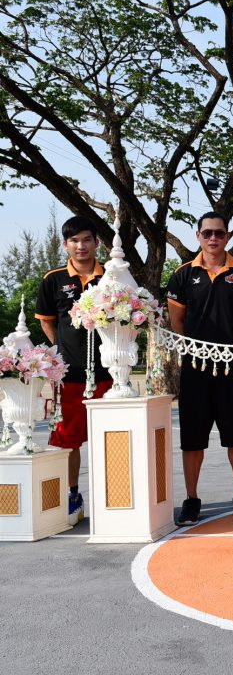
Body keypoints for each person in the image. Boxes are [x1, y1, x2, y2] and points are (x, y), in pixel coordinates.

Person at [166, 212, 233, 525]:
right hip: (196, 368)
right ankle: (191, 499)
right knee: (192, 438)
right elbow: (177, 322)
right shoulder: (182, 275)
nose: (213, 238)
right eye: (207, 233)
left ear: (228, 236)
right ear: (198, 236)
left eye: (219, 233)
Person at [35, 216, 113, 525]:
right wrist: (62, 353)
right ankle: (72, 495)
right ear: (66, 244)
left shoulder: (112, 275)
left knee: (109, 437)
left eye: (86, 239)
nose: (81, 246)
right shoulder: (53, 279)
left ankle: (111, 496)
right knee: (67, 440)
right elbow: (46, 320)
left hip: (108, 372)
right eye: (74, 241)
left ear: (97, 242)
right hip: (68, 376)